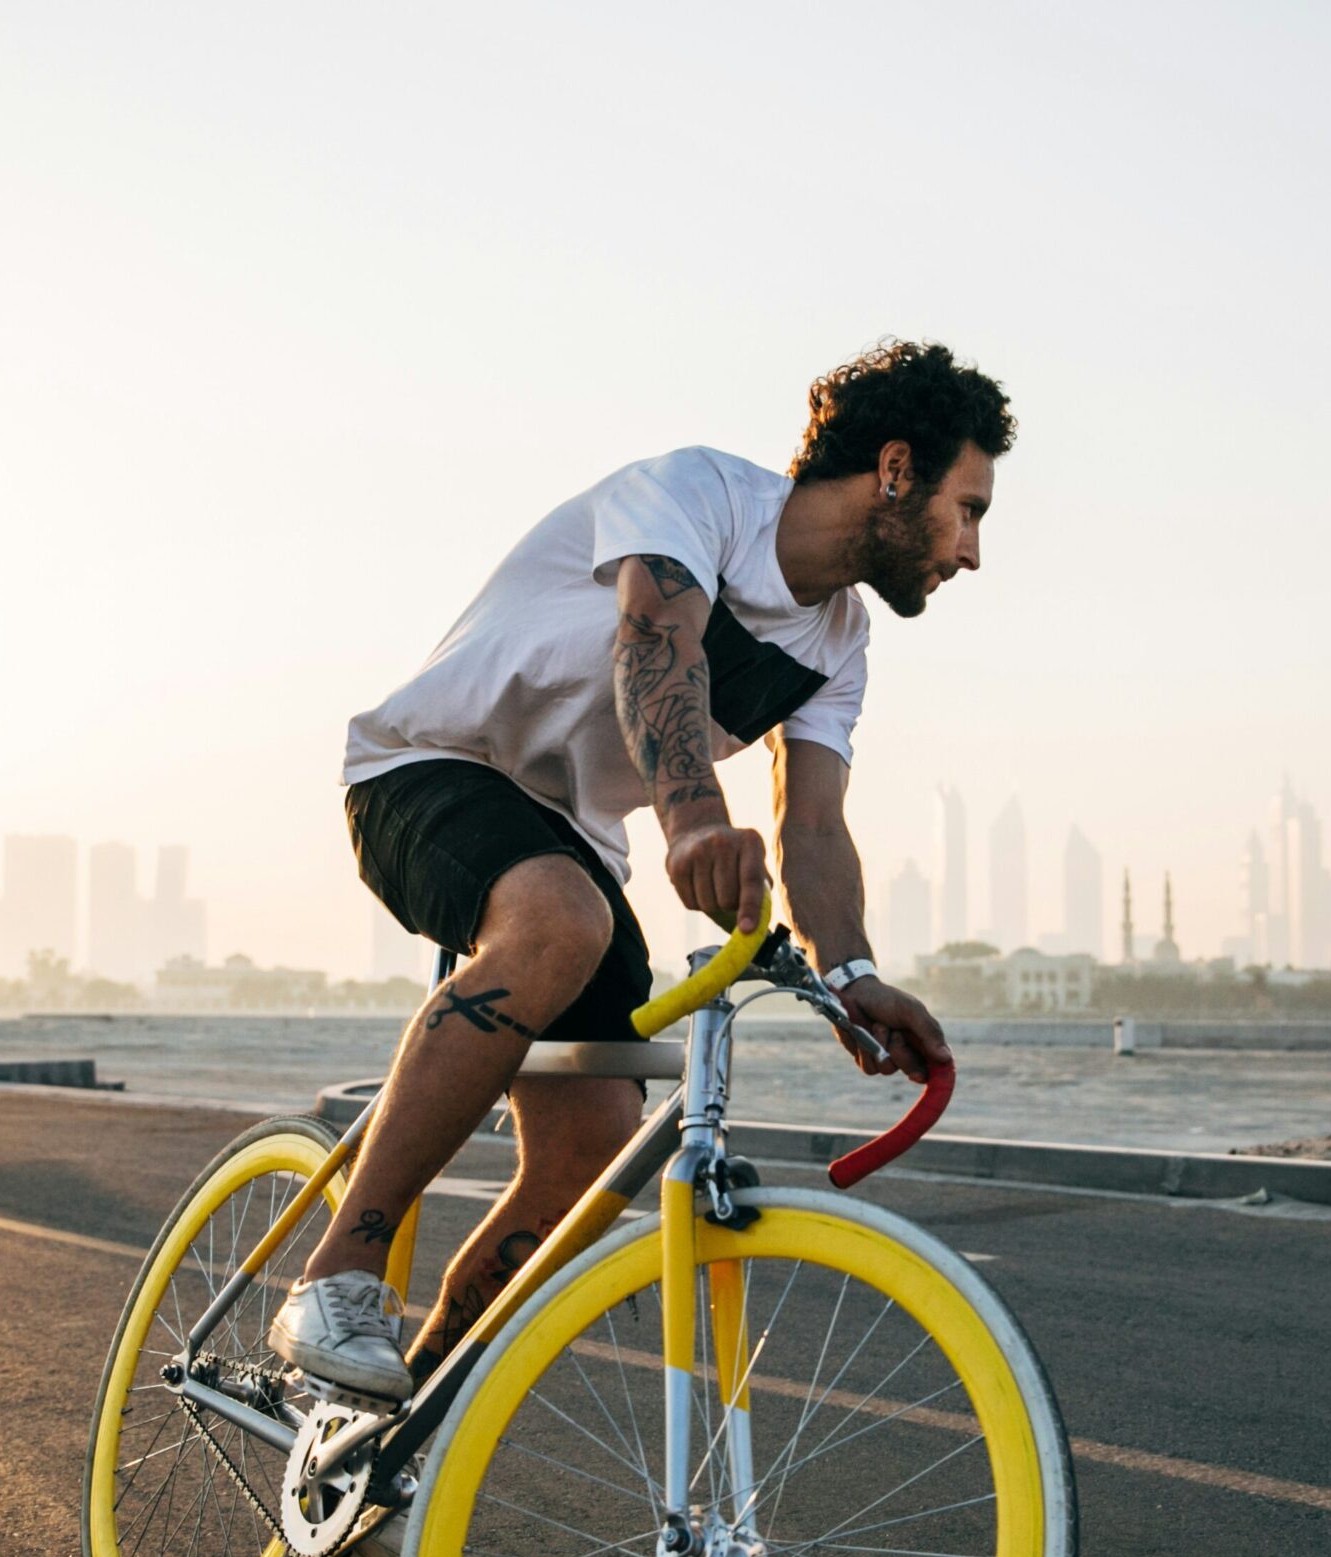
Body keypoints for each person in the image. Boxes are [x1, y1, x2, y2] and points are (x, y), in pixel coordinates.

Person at [268, 339, 1012, 1409]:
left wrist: (851, 976)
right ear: (895, 469)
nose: (972, 550)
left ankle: (388, 1422)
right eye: (969, 507)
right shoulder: (702, 492)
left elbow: (812, 827)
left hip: (572, 839)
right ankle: (335, 1279)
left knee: (594, 1154)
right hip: (426, 769)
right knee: (561, 920)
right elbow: (653, 645)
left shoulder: (839, 642)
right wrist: (695, 820)